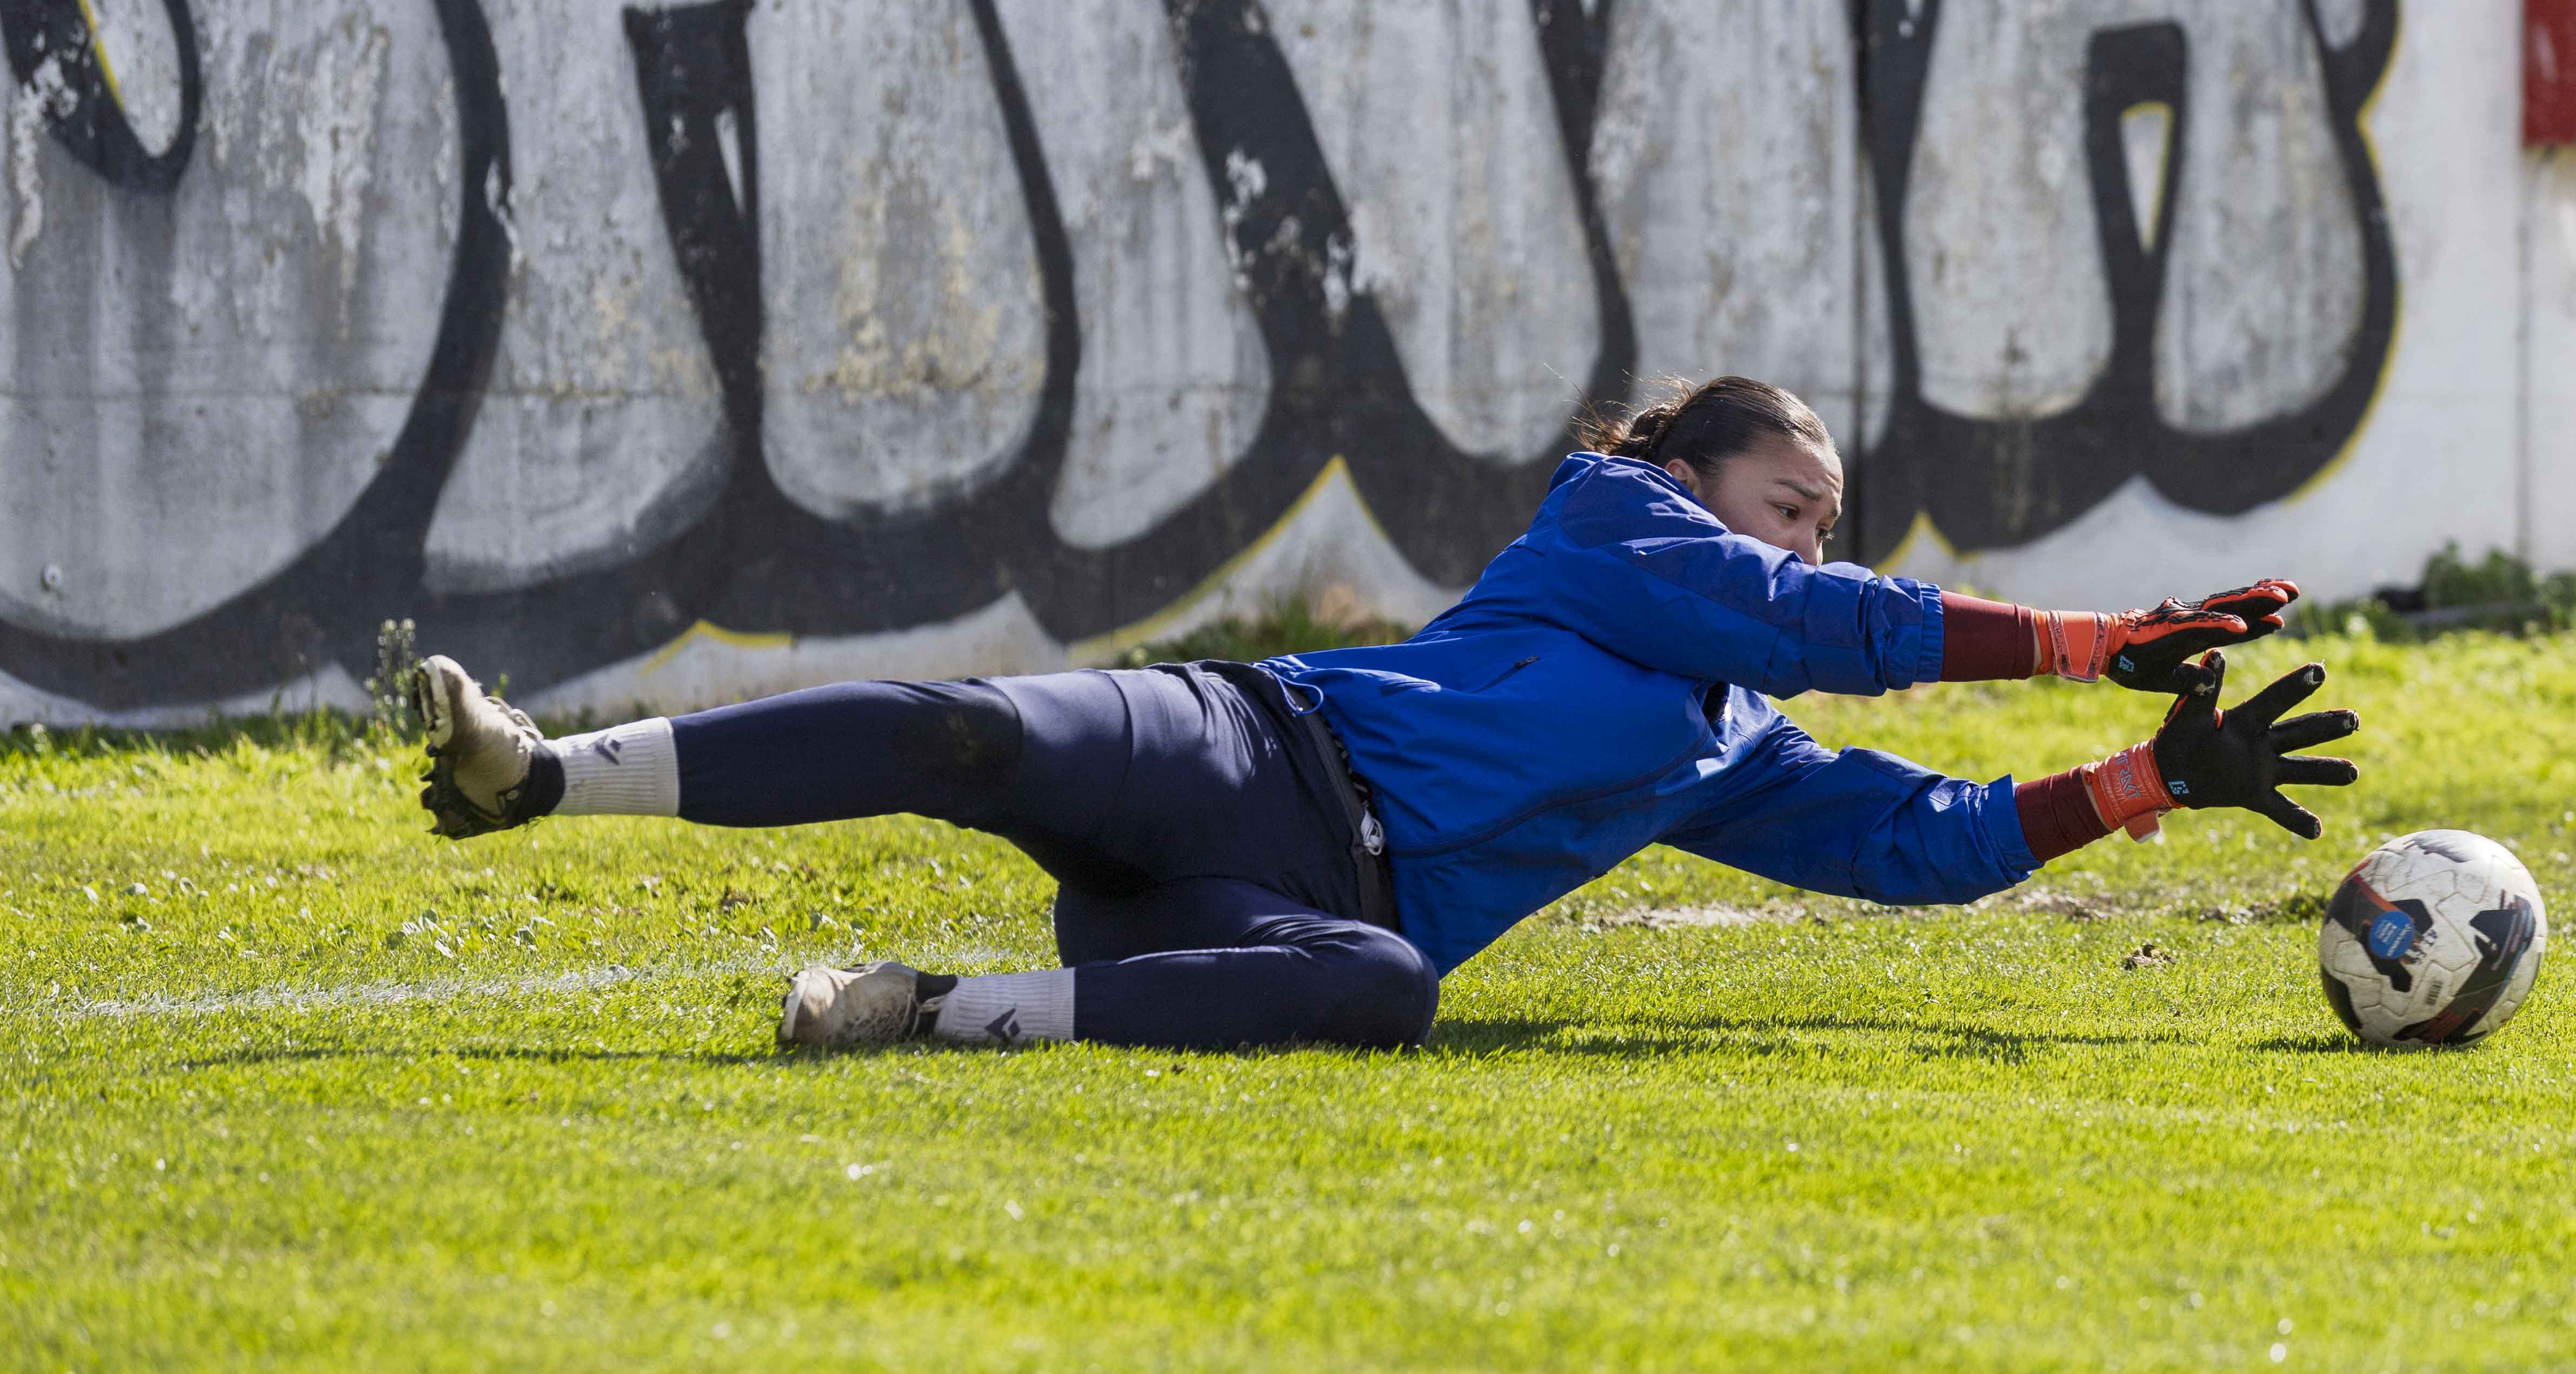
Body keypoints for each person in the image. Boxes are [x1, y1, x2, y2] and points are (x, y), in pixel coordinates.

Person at [412, 377, 2360, 1055]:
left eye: (1827, 520)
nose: (1811, 536)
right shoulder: (1614, 522)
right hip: (1242, 746)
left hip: (1272, 917)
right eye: (1788, 499)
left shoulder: (1729, 743)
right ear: (1683, 475)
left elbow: (1915, 847)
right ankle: (542, 776)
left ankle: (927, 1012)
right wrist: (2095, 637)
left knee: (1390, 991)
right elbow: (1807, 617)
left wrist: (2146, 775)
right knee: (971, 734)